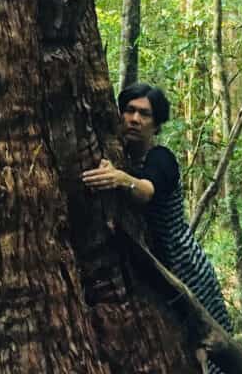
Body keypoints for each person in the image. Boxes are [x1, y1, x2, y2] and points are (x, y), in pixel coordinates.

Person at [82, 82, 232, 371]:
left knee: (209, 348)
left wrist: (119, 179)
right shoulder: (121, 156)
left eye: (145, 114)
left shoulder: (161, 158)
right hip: (156, 267)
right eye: (129, 111)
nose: (135, 119)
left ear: (157, 124)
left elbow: (146, 190)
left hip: (185, 266)